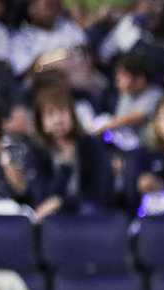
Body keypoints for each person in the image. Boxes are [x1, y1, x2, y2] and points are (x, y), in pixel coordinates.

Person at [25, 85, 116, 221]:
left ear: (72, 114)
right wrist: (65, 168)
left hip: (89, 215)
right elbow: (41, 198)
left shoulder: (92, 145)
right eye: (50, 114)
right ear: (41, 121)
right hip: (52, 219)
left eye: (62, 112)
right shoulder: (35, 151)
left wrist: (62, 203)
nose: (57, 120)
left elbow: (102, 193)